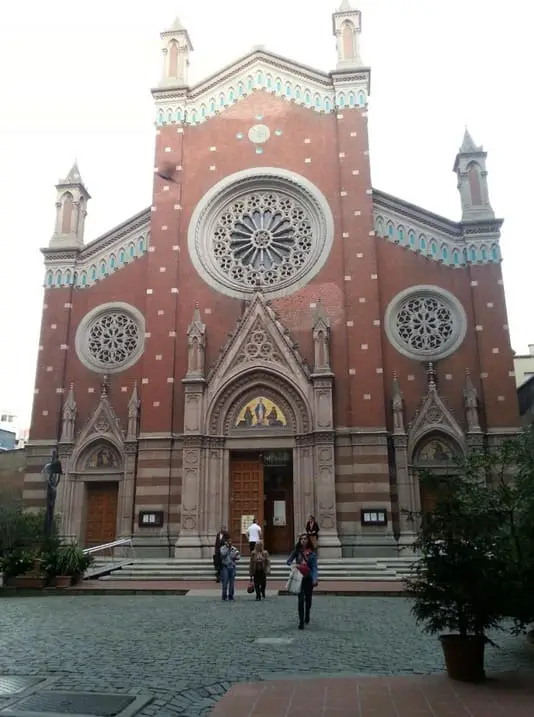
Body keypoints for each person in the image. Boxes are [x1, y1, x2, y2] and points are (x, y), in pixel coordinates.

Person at [287, 533, 318, 630]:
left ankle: (307, 613)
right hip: (299, 578)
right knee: (300, 600)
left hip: (308, 579)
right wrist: (294, 565)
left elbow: (314, 567)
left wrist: (314, 579)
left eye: (305, 539)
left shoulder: (312, 553)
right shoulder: (297, 551)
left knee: (308, 599)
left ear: (308, 540)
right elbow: (288, 561)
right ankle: (301, 621)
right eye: (301, 539)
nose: (303, 540)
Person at [219, 536, 240, 601]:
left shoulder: (234, 548)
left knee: (232, 583)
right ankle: (224, 596)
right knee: (225, 582)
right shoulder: (222, 548)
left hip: (232, 567)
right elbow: (223, 555)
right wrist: (228, 549)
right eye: (228, 542)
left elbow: (238, 557)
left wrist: (235, 556)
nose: (230, 543)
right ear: (226, 542)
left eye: (231, 542)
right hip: (225, 567)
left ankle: (231, 596)